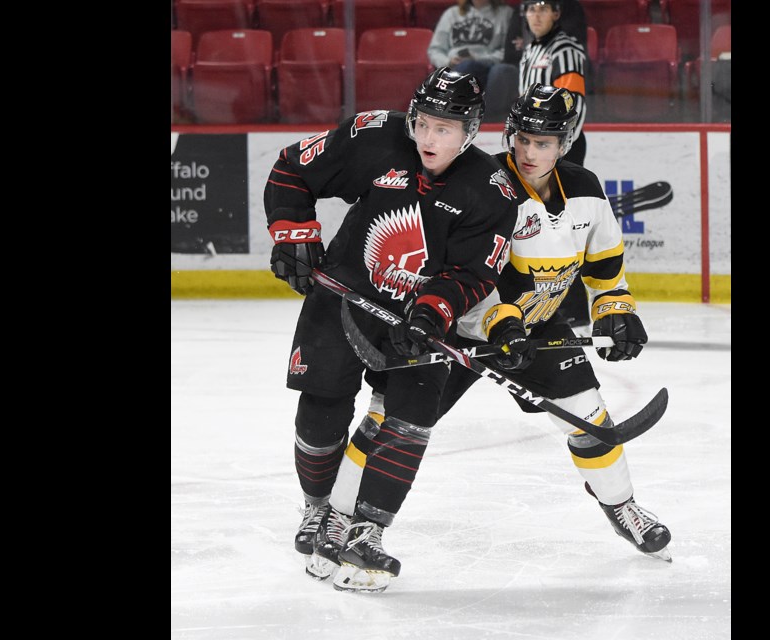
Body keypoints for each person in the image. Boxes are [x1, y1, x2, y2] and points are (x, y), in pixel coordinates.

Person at [328, 85, 672, 570]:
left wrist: (615, 311)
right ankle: (339, 517)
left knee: (590, 417)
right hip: (451, 325)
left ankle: (623, 506)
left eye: (544, 143)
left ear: (566, 143)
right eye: (523, 139)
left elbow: (604, 269)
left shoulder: (588, 191)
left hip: (533, 328)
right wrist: (500, 323)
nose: (530, 152)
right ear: (510, 134)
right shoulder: (483, 185)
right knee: (392, 420)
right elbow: (464, 272)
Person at [263, 67, 519, 593]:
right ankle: (318, 511)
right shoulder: (375, 135)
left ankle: (369, 532)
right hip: (342, 298)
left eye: (444, 128)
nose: (428, 137)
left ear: (470, 130)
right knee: (321, 409)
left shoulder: (491, 189)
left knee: (407, 422)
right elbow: (293, 169)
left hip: (420, 323)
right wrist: (293, 234)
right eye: (423, 122)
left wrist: (431, 312)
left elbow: (472, 272)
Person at [518, 0, 589, 165]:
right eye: (531, 10)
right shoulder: (530, 51)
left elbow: (574, 103)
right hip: (534, 143)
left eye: (543, 9)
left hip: (559, 147)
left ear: (555, 14)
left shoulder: (565, 50)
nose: (536, 16)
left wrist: (560, 147)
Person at [427, 0, 514, 119]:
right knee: (465, 67)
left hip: (489, 66)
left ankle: (488, 122)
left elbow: (508, 51)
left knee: (496, 70)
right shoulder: (451, 14)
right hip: (456, 66)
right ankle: (453, 116)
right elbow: (435, 50)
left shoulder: (505, 13)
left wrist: (478, 58)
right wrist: (448, 61)